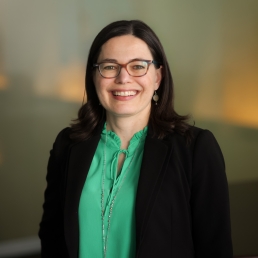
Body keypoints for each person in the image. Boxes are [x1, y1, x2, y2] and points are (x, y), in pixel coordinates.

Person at [39, 20, 233, 258]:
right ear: (94, 76)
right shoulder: (67, 145)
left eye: (138, 66)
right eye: (110, 67)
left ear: (158, 78)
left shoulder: (195, 150)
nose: (123, 78)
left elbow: (215, 248)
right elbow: (52, 237)